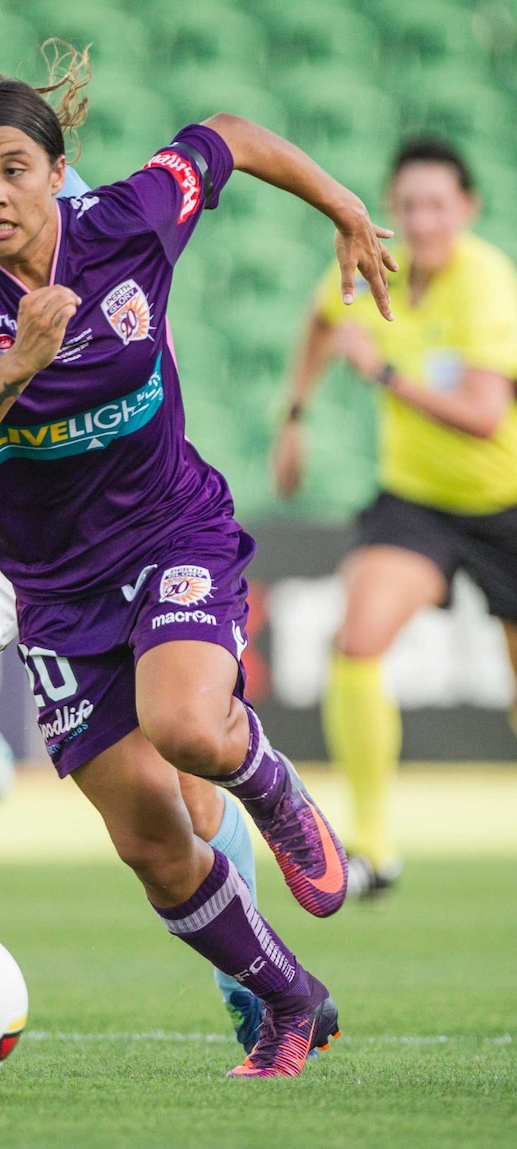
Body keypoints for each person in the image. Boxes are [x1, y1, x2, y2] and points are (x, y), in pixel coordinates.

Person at [0, 75, 395, 1076]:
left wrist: (345, 208)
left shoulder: (125, 222)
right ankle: (286, 1000)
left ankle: (269, 786)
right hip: (52, 583)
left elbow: (225, 133)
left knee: (189, 729)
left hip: (167, 531)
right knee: (150, 841)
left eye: (10, 170)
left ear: (59, 174)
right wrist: (13, 367)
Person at [273, 135, 517, 898]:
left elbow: (482, 413)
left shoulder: (486, 284)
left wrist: (381, 372)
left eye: (438, 204)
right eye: (408, 204)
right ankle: (374, 843)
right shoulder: (373, 261)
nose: (422, 219)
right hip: (415, 500)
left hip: (504, 504)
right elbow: (321, 318)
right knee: (359, 635)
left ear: (467, 209)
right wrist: (295, 416)